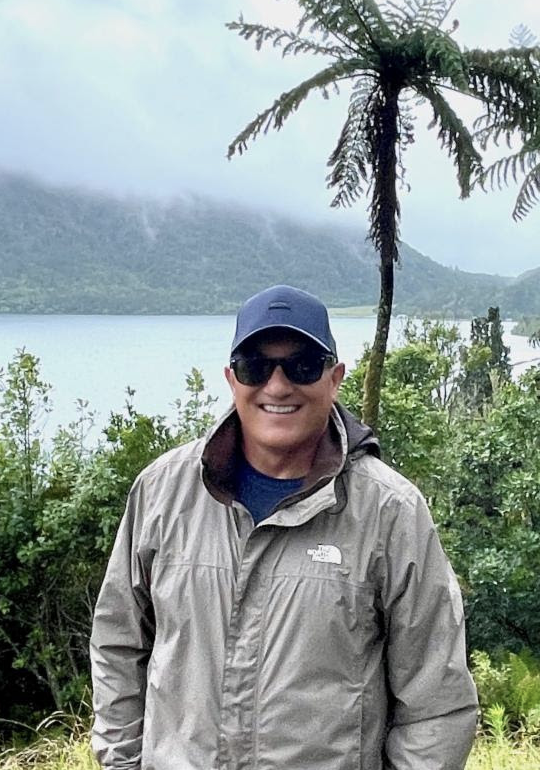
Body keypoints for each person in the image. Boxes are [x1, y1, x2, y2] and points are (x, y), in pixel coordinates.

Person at [90, 284, 477, 769]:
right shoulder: (162, 494)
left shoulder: (389, 511)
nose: (277, 386)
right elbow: (118, 643)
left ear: (334, 378)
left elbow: (435, 699)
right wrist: (122, 763)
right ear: (232, 378)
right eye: (256, 366)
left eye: (302, 366)